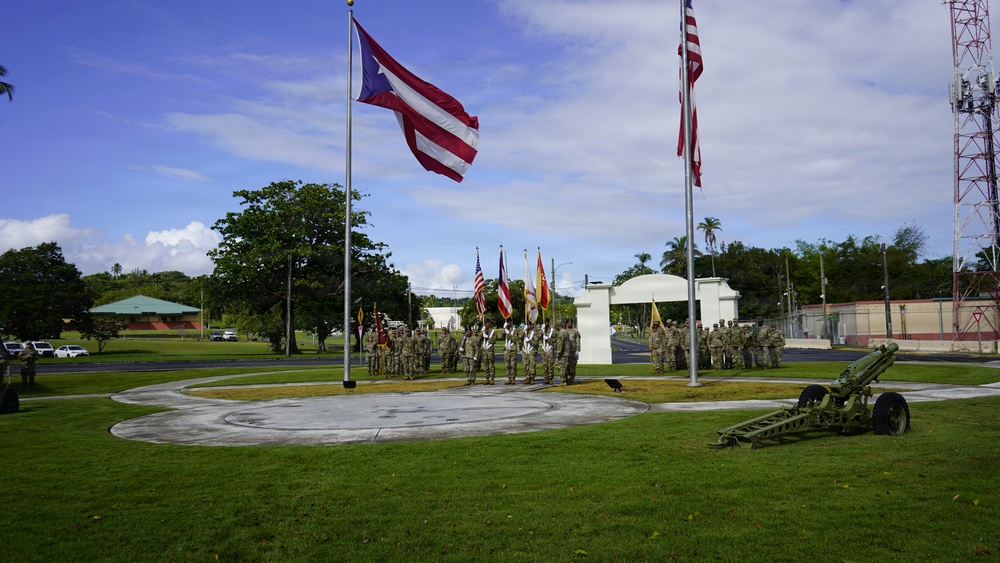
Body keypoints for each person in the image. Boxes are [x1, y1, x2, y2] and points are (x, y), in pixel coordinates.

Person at [502, 319, 520, 385]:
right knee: (507, 365)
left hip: (512, 349)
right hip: (507, 349)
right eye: (507, 322)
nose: (508, 323)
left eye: (509, 322)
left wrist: (508, 333)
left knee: (513, 365)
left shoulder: (514, 330)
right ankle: (509, 378)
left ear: (511, 322)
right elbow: (502, 336)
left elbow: (514, 339)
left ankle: (513, 378)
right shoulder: (506, 329)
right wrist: (504, 329)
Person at [481, 320, 498, 385]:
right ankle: (487, 378)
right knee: (485, 365)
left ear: (490, 324)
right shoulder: (483, 331)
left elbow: (494, 340)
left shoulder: (493, 331)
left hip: (490, 350)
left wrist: (487, 337)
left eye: (487, 323)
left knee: (491, 365)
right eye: (485, 323)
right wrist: (481, 332)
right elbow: (479, 339)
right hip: (484, 350)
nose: (486, 324)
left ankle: (492, 379)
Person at [540, 319, 556, 384]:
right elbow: (537, 337)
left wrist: (548, 339)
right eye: (545, 322)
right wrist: (541, 330)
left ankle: (550, 378)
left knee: (550, 364)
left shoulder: (552, 330)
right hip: (544, 349)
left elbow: (555, 340)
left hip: (549, 348)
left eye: (546, 322)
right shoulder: (542, 330)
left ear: (549, 322)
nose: (546, 323)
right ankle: (546, 378)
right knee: (544, 364)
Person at [565, 318, 580, 383]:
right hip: (565, 351)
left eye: (570, 323)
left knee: (572, 366)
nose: (569, 324)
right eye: (568, 322)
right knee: (566, 366)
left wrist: (578, 350)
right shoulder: (564, 331)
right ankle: (566, 378)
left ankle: (571, 379)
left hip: (572, 351)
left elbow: (578, 341)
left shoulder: (575, 331)